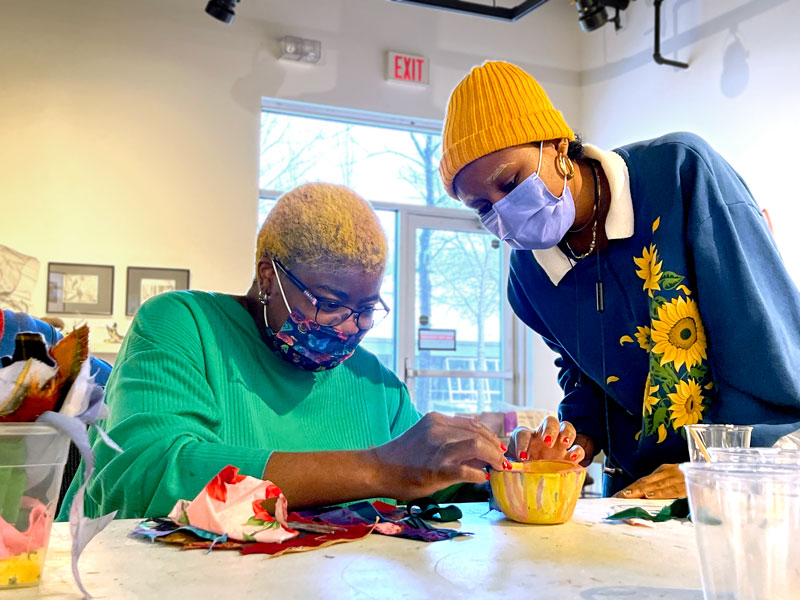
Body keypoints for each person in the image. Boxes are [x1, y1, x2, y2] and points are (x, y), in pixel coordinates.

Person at [62, 182, 576, 520]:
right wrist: (377, 469)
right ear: (269, 275)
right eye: (330, 304)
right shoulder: (184, 326)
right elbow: (141, 477)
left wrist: (516, 471)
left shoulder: (373, 384)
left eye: (368, 308)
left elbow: (433, 482)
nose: (350, 328)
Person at [439, 61, 800, 498]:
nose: (504, 209)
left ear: (556, 146)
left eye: (511, 182)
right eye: (482, 207)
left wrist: (711, 473)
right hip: (638, 493)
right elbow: (588, 380)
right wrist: (572, 440)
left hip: (750, 475)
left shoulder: (680, 175)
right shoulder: (529, 278)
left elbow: (762, 340)